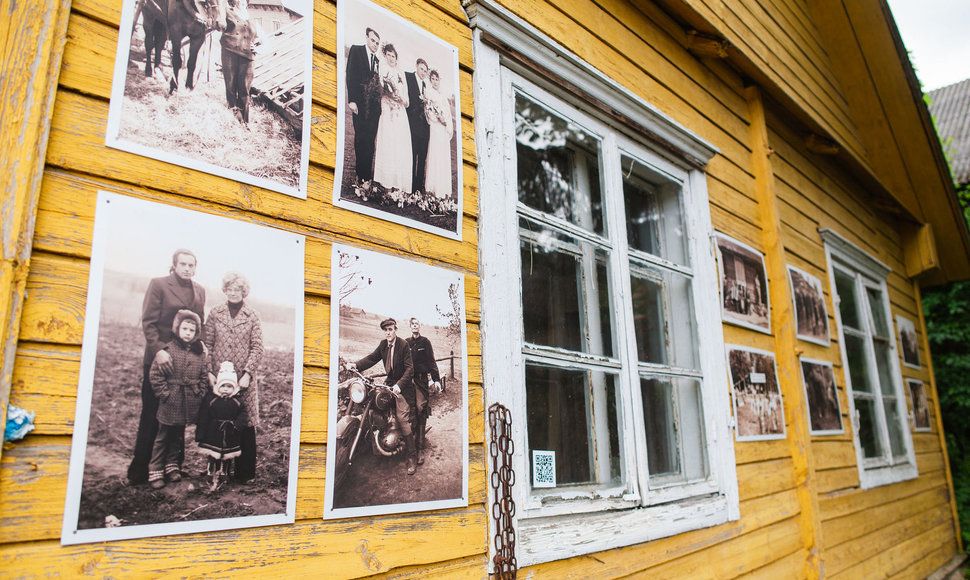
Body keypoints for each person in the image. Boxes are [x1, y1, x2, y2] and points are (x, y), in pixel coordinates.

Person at [128, 249, 206, 485]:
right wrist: (159, 351)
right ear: (174, 265)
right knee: (152, 414)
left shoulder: (199, 291)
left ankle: (173, 467)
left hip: (185, 364)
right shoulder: (159, 285)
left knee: (178, 416)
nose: (187, 268)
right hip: (160, 361)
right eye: (182, 264)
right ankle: (141, 470)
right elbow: (149, 323)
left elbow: (198, 326)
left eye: (191, 265)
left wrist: (199, 353)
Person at [204, 271, 264, 483]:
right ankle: (216, 471)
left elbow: (257, 347)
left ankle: (244, 473)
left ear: (244, 291)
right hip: (220, 378)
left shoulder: (252, 315)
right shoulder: (215, 312)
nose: (233, 293)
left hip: (243, 379)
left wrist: (247, 374)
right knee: (218, 420)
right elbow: (207, 344)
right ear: (225, 290)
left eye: (238, 289)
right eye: (230, 289)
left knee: (245, 423)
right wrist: (210, 373)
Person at [346, 318, 418, 475]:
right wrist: (356, 365)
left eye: (391, 329)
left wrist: (399, 385)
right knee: (373, 402)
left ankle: (412, 456)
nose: (388, 332)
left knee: (402, 418)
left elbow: (409, 369)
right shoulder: (383, 345)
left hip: (403, 388)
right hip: (390, 383)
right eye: (386, 330)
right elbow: (372, 358)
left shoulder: (403, 345)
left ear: (395, 330)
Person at [147, 309, 208, 489]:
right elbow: (155, 375)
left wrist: (200, 392)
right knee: (163, 436)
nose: (188, 333)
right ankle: (155, 469)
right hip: (170, 401)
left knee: (177, 436)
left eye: (191, 330)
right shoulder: (168, 349)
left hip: (188, 402)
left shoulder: (199, 352)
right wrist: (165, 394)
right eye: (185, 329)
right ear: (177, 329)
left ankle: (172, 466)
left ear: (196, 332)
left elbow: (204, 375)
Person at [196, 361, 248, 489]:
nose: (225, 389)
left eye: (229, 386)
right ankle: (210, 471)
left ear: (234, 387)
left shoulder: (237, 401)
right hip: (213, 432)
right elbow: (204, 416)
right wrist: (200, 433)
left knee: (227, 456)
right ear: (218, 386)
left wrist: (236, 425)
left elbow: (243, 415)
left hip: (229, 432)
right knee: (212, 454)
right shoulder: (212, 399)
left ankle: (224, 472)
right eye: (223, 385)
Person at [373, 43, 413, 194]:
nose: (391, 58)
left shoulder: (401, 74)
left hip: (400, 113)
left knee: (399, 146)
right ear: (385, 56)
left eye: (393, 56)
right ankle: (386, 184)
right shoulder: (383, 71)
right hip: (388, 111)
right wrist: (390, 95)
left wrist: (400, 98)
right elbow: (381, 91)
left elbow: (408, 102)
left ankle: (398, 183)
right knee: (388, 144)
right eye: (388, 55)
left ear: (397, 58)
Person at [345, 27, 383, 186]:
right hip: (359, 105)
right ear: (367, 38)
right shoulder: (357, 50)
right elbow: (350, 75)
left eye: (377, 43)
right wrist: (352, 100)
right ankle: (359, 175)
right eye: (373, 40)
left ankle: (366, 177)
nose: (375, 44)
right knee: (361, 139)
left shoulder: (377, 61)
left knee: (370, 141)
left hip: (373, 109)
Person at [405, 318, 440, 465]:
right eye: (412, 324)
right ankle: (408, 445)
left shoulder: (425, 342)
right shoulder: (406, 342)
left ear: (420, 326)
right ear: (410, 327)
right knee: (406, 410)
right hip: (408, 381)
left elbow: (431, 361)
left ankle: (420, 449)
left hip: (421, 382)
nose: (415, 326)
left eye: (417, 324)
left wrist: (436, 379)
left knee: (420, 408)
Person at [220, 0, 261, 124]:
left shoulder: (253, 20)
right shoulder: (226, 13)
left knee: (244, 88)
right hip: (229, 53)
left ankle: (244, 121)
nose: (241, 1)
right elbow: (218, 23)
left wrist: (258, 48)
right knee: (230, 85)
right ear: (233, 2)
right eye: (238, 0)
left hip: (247, 57)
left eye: (244, 0)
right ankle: (232, 116)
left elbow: (264, 40)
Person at [423, 69, 453, 199]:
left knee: (443, 156)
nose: (435, 82)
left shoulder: (442, 96)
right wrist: (437, 118)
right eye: (433, 79)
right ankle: (433, 189)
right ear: (430, 80)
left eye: (437, 79)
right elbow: (429, 111)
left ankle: (442, 189)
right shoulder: (428, 93)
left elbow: (447, 113)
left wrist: (445, 121)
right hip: (435, 128)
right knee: (435, 155)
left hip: (443, 128)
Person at [405, 59, 431, 194]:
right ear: (416, 67)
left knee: (422, 158)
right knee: (411, 156)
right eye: (422, 69)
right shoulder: (407, 77)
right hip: (411, 125)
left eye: (426, 71)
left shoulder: (426, 87)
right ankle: (408, 185)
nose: (423, 72)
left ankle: (417, 187)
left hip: (424, 128)